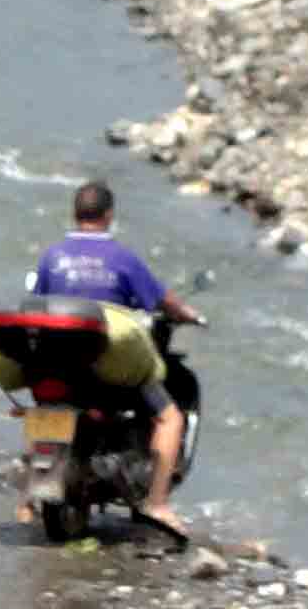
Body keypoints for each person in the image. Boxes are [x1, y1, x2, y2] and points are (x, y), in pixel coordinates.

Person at [24, 179, 203, 519]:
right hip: (109, 370)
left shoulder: (52, 257)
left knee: (45, 408)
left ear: (75, 214)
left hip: (58, 365)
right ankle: (158, 503)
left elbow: (37, 301)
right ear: (108, 216)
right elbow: (163, 301)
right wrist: (187, 314)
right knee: (170, 418)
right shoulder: (122, 259)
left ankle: (27, 500)